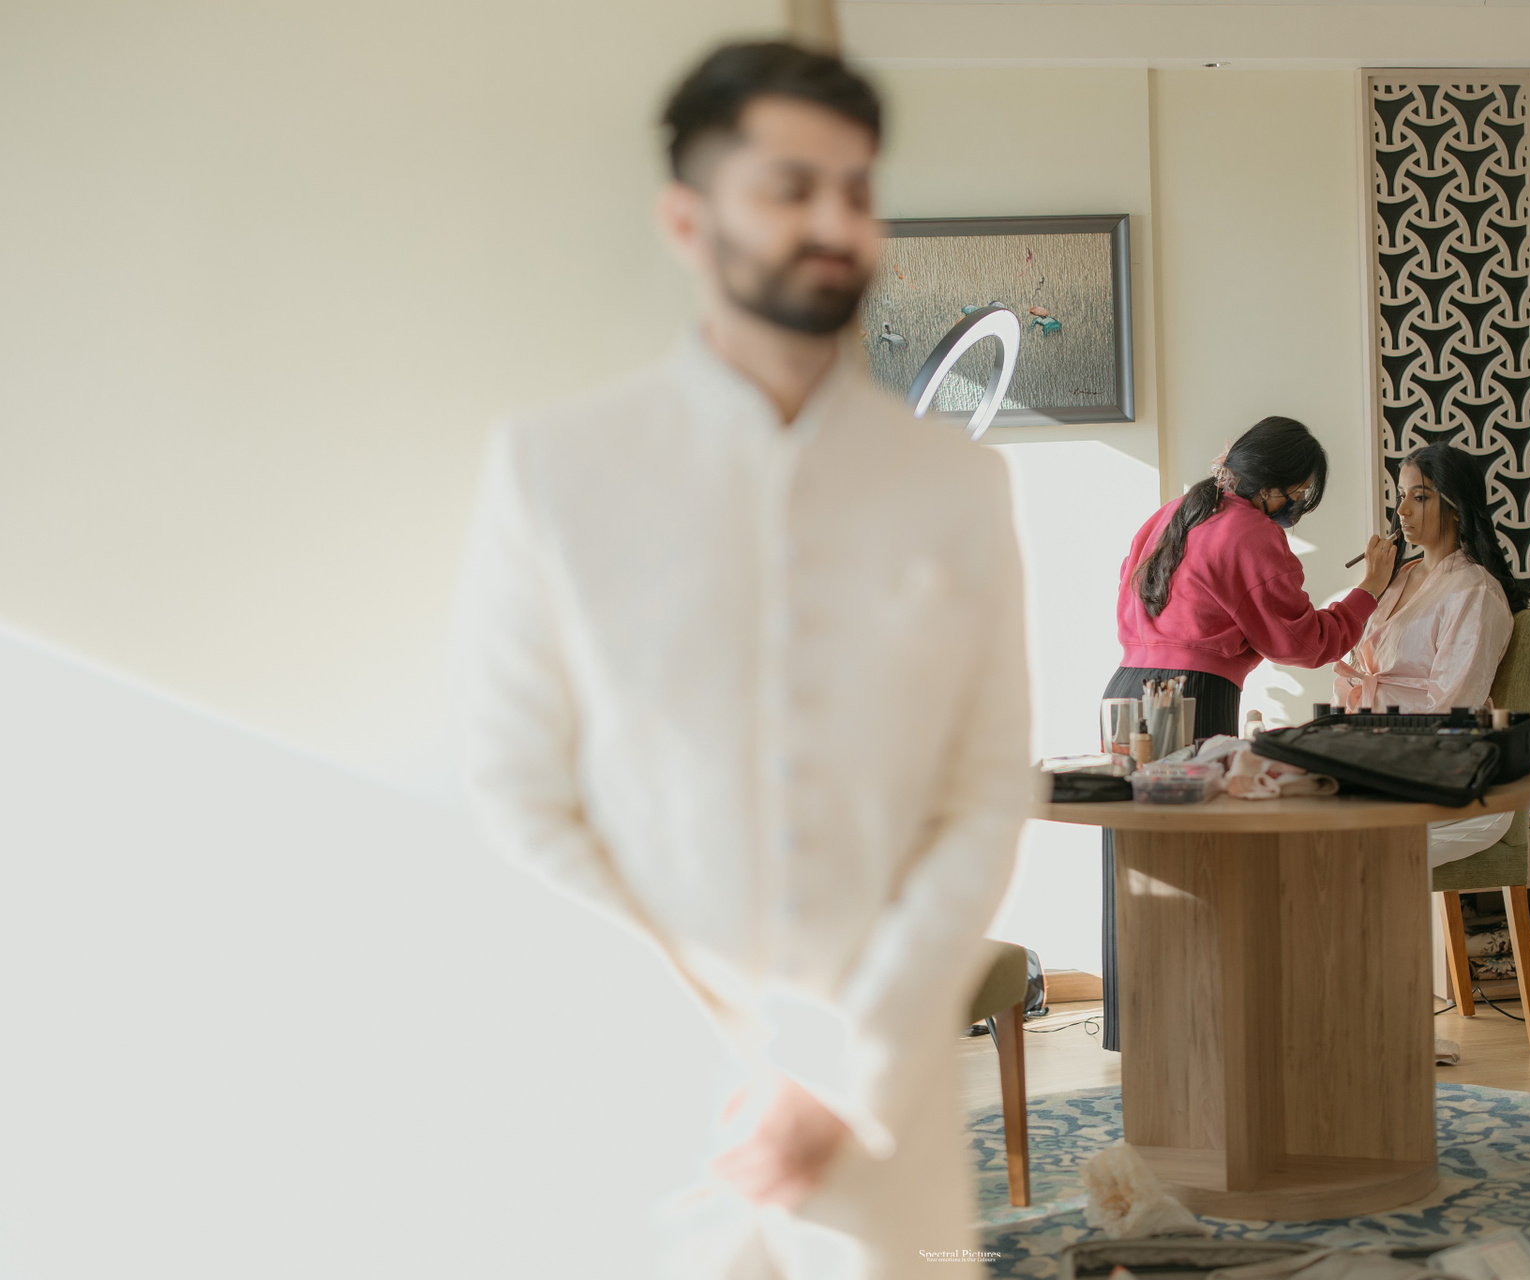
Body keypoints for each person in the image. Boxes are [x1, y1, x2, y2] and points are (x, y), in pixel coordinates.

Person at [452, 42, 1030, 1280]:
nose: (835, 224)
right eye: (789, 187)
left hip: (881, 1123)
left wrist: (837, 1072)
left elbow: (983, 796)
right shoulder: (554, 469)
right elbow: (514, 794)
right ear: (687, 218)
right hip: (638, 1110)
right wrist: (721, 1066)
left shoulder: (960, 486)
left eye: (857, 190)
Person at [1098, 417, 1398, 1049]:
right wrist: (1369, 589)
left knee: (1137, 867)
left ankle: (1140, 1033)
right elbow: (1302, 641)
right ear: (1275, 486)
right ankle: (1196, 1032)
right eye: (1303, 492)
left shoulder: (1173, 514)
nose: (1300, 505)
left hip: (1125, 693)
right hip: (1189, 699)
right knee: (1199, 868)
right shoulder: (1253, 534)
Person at [1332, 443, 1530, 868]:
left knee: (1333, 846)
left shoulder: (1474, 591)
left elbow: (1453, 709)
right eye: (1401, 496)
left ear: (1456, 507)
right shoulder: (1400, 576)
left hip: (1444, 769)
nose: (1402, 511)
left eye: (1420, 497)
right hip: (1380, 751)